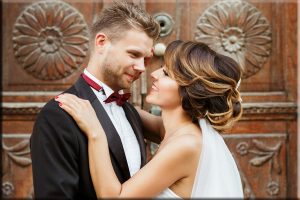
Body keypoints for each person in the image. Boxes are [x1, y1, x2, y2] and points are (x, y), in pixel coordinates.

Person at [55, 40, 244, 198]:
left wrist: (96, 133)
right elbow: (120, 110)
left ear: (191, 89)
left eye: (166, 74)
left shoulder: (186, 145)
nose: (154, 74)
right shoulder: (175, 130)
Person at [30, 1, 160, 199]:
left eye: (146, 59)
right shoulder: (57, 115)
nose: (142, 67)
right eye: (133, 54)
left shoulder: (130, 112)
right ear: (101, 42)